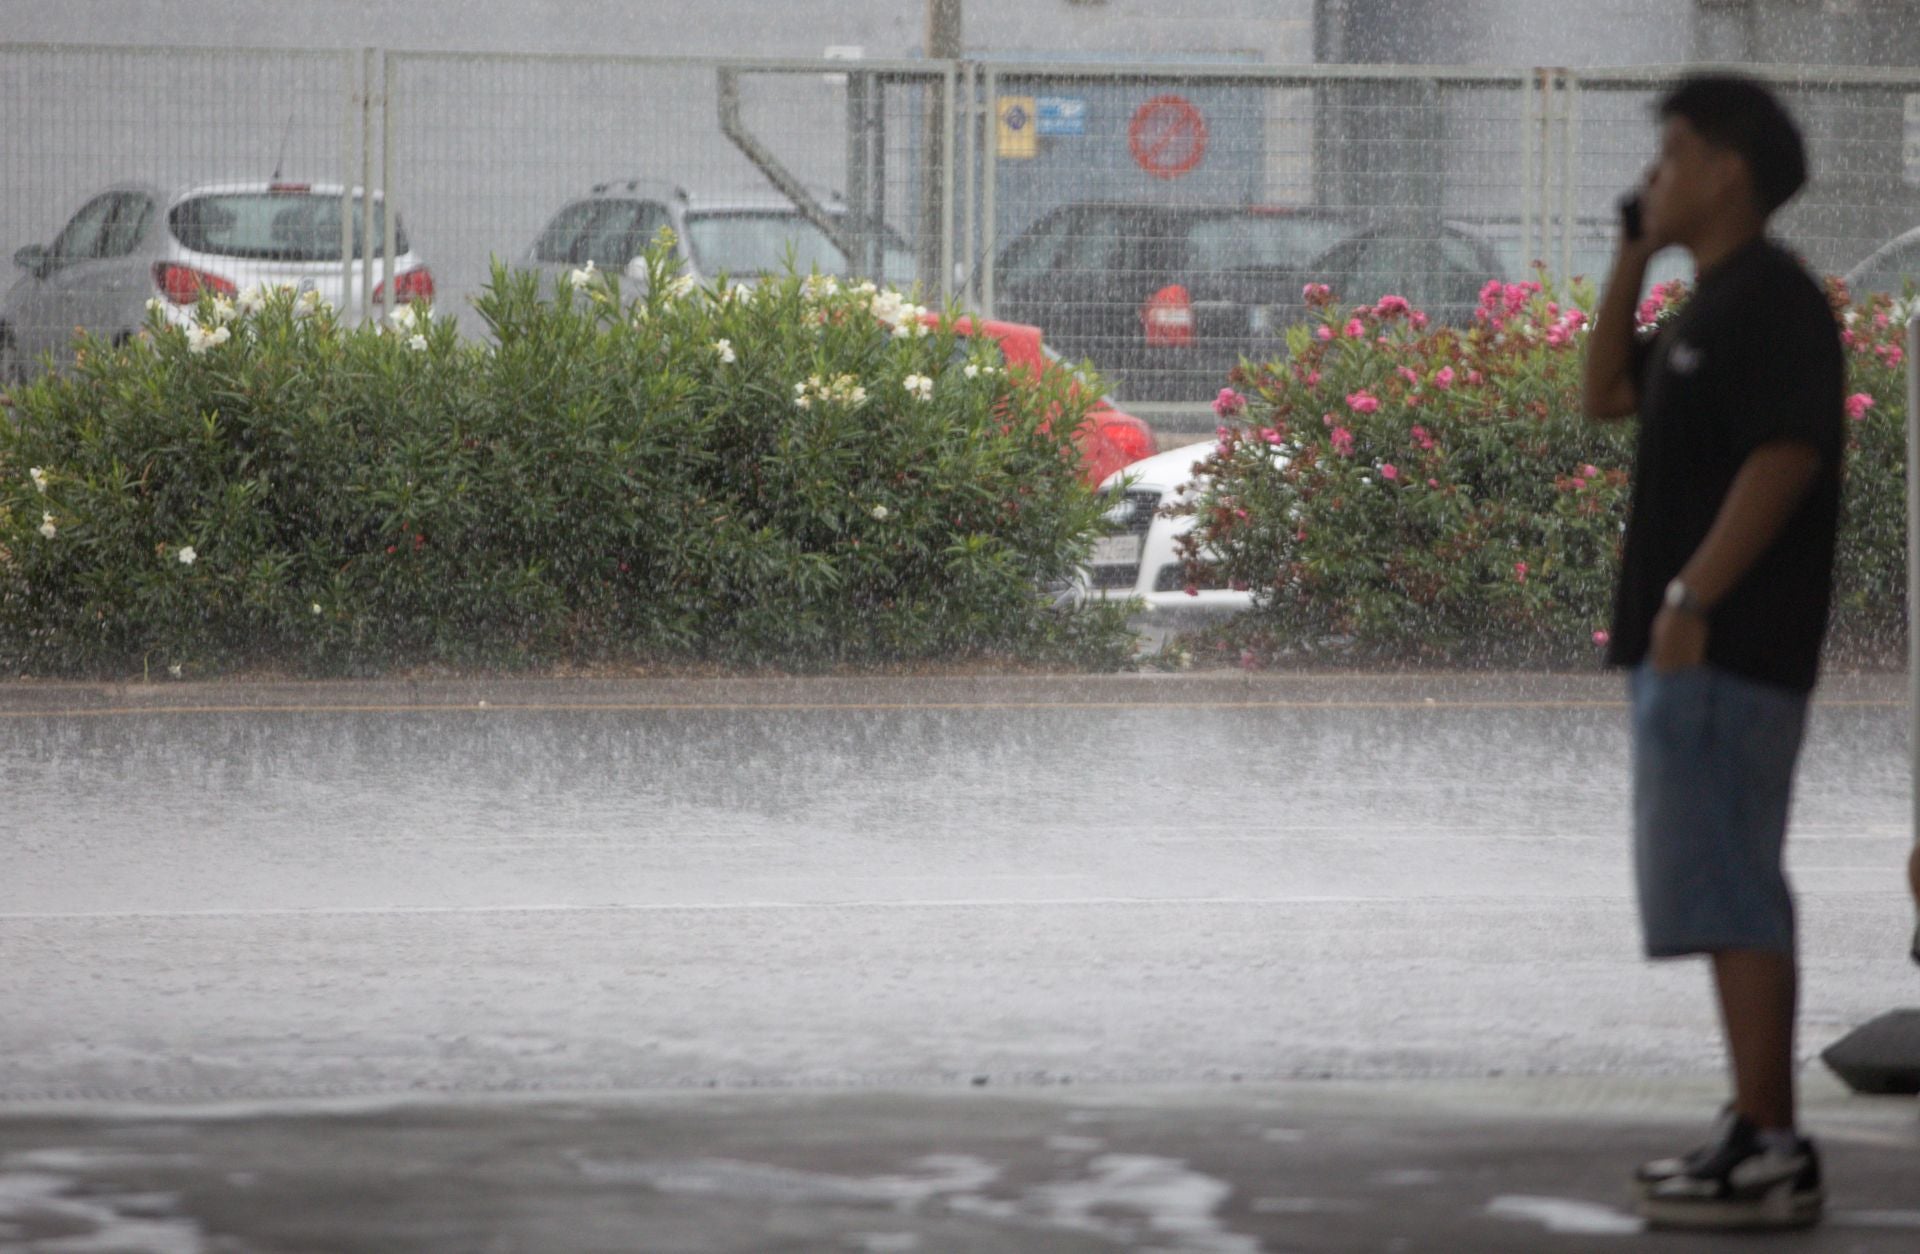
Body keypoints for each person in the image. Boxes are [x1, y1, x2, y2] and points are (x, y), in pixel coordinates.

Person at [1580, 74, 1843, 1232]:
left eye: (1673, 153)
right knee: (1721, 889)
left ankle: (1775, 1145)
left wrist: (1692, 599)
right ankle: (1755, 1126)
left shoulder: (1772, 301)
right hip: (1691, 650)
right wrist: (1633, 256)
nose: (1654, 174)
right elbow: (1602, 397)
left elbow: (1785, 457)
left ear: (1729, 169)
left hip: (1728, 648)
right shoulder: (1710, 301)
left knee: (1735, 893)